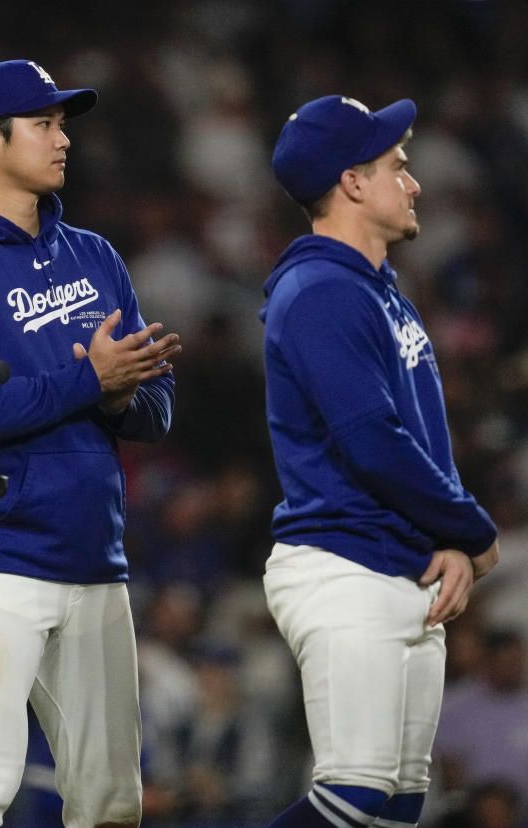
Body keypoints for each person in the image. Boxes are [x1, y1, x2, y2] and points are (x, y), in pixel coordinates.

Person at [0, 59, 181, 827]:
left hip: (88, 554)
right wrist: (90, 385)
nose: (63, 139)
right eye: (43, 123)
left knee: (113, 803)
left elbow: (156, 409)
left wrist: (118, 394)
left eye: (63, 123)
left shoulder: (94, 256)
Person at [260, 94, 500, 828]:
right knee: (353, 792)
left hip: (403, 565)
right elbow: (371, 441)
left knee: (396, 808)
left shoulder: (378, 289)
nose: (414, 181)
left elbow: (423, 439)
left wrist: (449, 539)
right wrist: (474, 530)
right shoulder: (321, 291)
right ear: (352, 183)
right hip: (344, 563)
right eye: (397, 165)